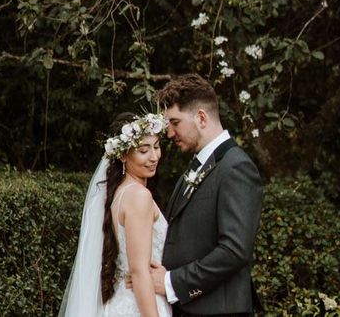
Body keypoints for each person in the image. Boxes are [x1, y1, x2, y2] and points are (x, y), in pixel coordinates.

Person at [150, 73, 263, 316]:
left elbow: (234, 251)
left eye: (175, 122)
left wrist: (172, 283)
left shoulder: (236, 168)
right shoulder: (196, 166)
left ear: (201, 117)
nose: (169, 133)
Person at [59, 112, 173, 317]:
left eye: (156, 147)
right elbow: (139, 273)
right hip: (141, 304)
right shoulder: (139, 196)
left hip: (122, 300)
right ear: (122, 155)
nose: (154, 157)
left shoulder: (119, 193)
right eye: (143, 150)